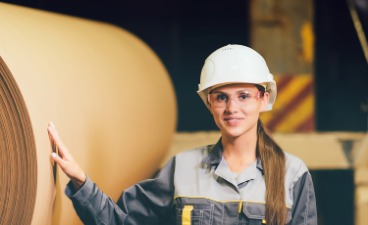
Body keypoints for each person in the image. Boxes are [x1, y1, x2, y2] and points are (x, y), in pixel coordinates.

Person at [48, 44, 317, 225]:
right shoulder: (182, 169)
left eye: (243, 96)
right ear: (209, 102)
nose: (232, 108)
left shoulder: (292, 174)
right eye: (221, 97)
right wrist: (81, 183)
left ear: (263, 99)